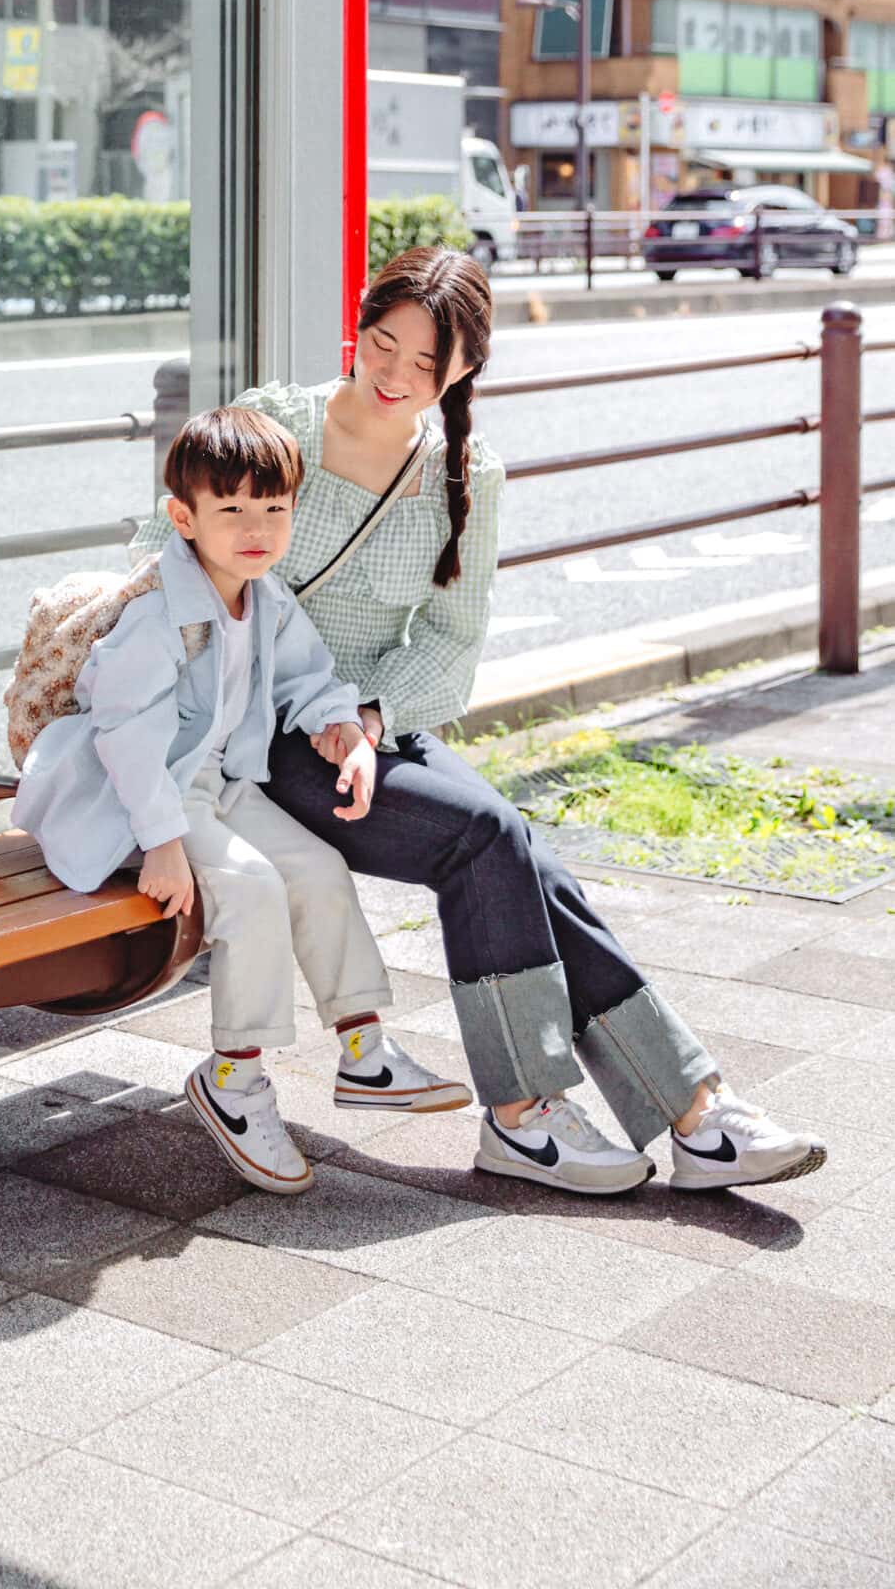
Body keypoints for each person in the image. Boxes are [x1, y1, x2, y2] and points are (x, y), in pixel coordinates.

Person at [133, 245, 826, 1198]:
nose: (395, 376)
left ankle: (695, 1113)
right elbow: (154, 557)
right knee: (491, 837)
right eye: (383, 344)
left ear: (464, 370)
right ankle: (540, 1113)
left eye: (427, 364)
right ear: (360, 327)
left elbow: (452, 649)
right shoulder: (275, 422)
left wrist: (369, 718)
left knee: (523, 856)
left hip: (375, 726)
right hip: (258, 736)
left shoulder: (466, 471)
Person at [13, 402, 469, 1196]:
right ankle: (234, 1077)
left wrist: (341, 730)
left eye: (274, 508)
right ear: (182, 517)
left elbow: (307, 677)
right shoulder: (158, 617)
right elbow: (125, 741)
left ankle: (364, 1051)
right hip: (137, 800)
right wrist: (159, 840)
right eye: (231, 510)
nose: (255, 527)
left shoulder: (264, 597)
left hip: (215, 785)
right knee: (254, 888)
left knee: (319, 866)